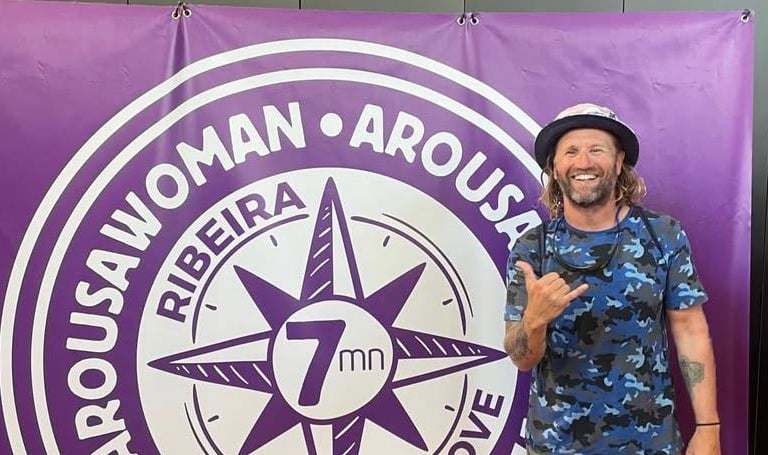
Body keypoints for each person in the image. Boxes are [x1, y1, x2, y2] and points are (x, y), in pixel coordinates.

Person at [503, 103, 720, 454]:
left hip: (650, 443)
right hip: (557, 445)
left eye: (596, 150)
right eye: (571, 151)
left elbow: (691, 332)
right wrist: (534, 320)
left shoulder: (663, 235)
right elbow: (521, 358)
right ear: (554, 167)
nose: (583, 162)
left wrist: (709, 426)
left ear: (618, 162)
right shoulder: (533, 249)